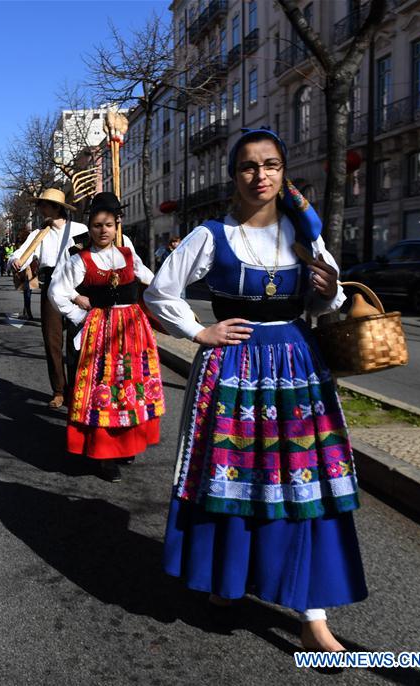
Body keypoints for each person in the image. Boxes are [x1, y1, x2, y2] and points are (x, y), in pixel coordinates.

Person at [144, 128, 366, 652]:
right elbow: (159, 292)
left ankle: (314, 615)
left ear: (283, 173)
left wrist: (331, 292)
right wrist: (199, 332)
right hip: (232, 369)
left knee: (303, 479)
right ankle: (228, 579)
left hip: (296, 370)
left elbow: (326, 306)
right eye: (248, 166)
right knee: (232, 474)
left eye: (269, 165)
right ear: (233, 175)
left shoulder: (305, 237)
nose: (259, 175)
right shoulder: (209, 235)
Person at [49, 192, 164, 482]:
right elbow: (56, 292)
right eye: (98, 225)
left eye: (109, 225)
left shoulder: (127, 253)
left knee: (128, 388)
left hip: (131, 329)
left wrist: (170, 293)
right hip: (101, 331)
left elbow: (150, 278)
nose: (104, 230)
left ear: (117, 226)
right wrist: (80, 312)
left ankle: (126, 443)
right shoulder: (81, 259)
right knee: (103, 391)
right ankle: (105, 454)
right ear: (90, 226)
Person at [10, 188, 88, 409]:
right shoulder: (38, 234)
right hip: (50, 290)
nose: (39, 208)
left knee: (77, 342)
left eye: (43, 205)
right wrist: (15, 261)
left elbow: (89, 255)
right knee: (52, 342)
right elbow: (20, 254)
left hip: (76, 289)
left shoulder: (79, 229)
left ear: (56, 207)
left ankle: (77, 389)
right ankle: (59, 390)